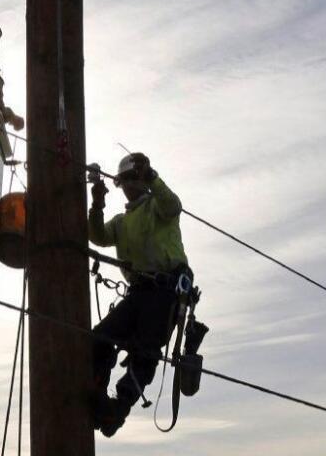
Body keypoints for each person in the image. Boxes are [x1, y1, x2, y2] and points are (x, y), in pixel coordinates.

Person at [88, 152, 207, 437]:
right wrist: (97, 203)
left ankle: (119, 407)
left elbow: (174, 205)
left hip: (165, 293)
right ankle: (96, 394)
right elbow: (98, 236)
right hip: (138, 293)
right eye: (125, 180)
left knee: (145, 352)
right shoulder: (121, 221)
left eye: (134, 178)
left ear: (142, 179)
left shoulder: (158, 207)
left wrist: (152, 176)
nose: (129, 184)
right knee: (98, 338)